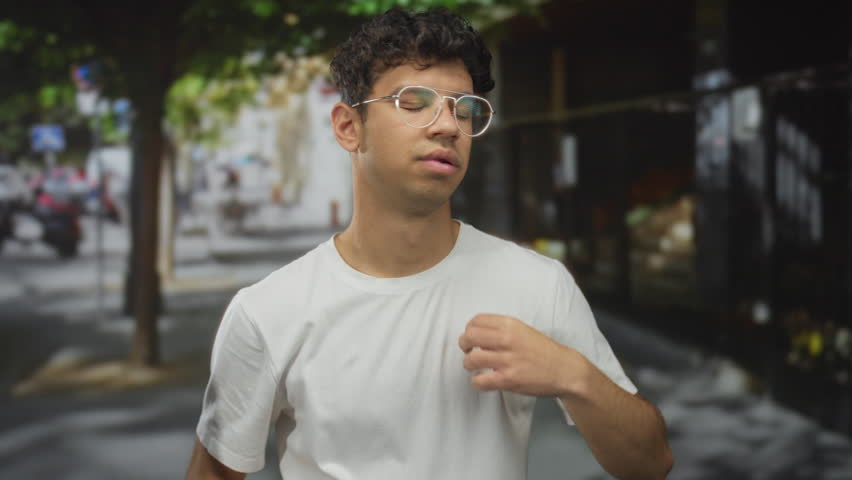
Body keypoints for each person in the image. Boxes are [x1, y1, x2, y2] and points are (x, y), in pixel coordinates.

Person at [186, 7, 673, 480]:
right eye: (413, 102)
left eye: (465, 110)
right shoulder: (270, 310)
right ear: (348, 127)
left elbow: (651, 464)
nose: (447, 126)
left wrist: (574, 376)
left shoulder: (536, 283)